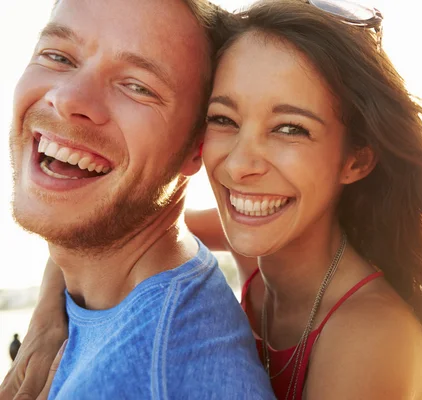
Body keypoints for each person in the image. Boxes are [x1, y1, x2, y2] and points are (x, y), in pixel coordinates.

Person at [3, 0, 422, 399]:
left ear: (356, 160)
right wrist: (51, 318)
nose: (239, 164)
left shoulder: (369, 334)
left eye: (290, 129)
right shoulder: (263, 245)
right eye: (224, 120)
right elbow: (112, 213)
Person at [1, 0, 273, 399]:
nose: (69, 98)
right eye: (58, 56)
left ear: (198, 147)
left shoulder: (149, 376)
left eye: (138, 86)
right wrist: (48, 307)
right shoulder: (130, 275)